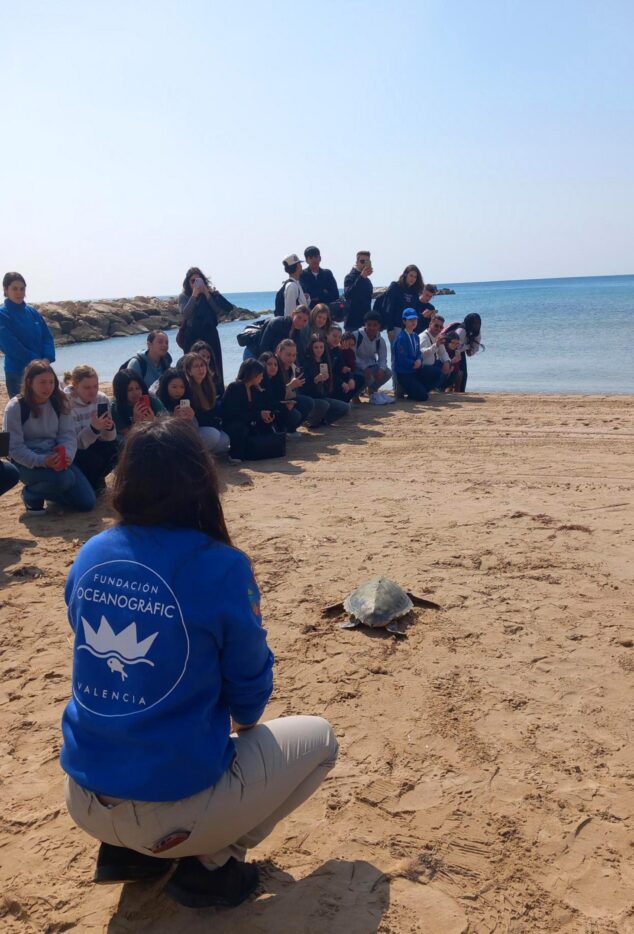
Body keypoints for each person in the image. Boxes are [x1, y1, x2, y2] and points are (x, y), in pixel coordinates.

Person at [60, 417, 338, 909]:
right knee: (321, 741)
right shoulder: (223, 566)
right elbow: (249, 699)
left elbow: (88, 644)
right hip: (173, 809)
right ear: (202, 479)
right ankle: (211, 865)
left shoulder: (91, 553)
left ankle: (129, 856)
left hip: (85, 795)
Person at [3, 360, 96, 514]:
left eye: (51, 382)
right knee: (65, 479)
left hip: (56, 457)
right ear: (29, 382)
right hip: (26, 463)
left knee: (87, 503)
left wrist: (67, 455)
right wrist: (42, 461)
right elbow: (15, 448)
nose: (48, 387)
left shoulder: (60, 402)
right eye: (42, 382)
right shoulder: (16, 407)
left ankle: (49, 491)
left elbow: (68, 436)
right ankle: (31, 495)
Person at [0, 272, 56, 399]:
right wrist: (37, 363)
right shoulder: (2, 314)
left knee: (46, 410)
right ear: (6, 290)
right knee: (23, 413)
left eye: (22, 289)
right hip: (18, 373)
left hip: (42, 370)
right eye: (14, 289)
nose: (19, 292)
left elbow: (47, 337)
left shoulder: (32, 312)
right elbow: (11, 346)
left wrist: (47, 358)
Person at [64, 365, 118, 493]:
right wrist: (94, 428)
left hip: (96, 443)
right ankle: (91, 481)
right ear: (75, 386)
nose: (92, 391)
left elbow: (109, 438)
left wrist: (109, 427)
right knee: (93, 459)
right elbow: (76, 444)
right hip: (76, 451)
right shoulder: (68, 403)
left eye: (95, 386)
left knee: (117, 450)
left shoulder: (101, 399)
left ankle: (97, 479)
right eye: (87, 387)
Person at [178, 267, 233, 391]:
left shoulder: (210, 294)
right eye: (193, 281)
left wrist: (207, 295)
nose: (196, 283)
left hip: (210, 334)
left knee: (214, 365)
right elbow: (185, 314)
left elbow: (219, 312)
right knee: (192, 366)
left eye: (199, 280)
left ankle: (217, 392)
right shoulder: (184, 296)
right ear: (188, 283)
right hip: (192, 335)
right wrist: (194, 295)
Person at [220, 360, 286, 463]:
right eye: (260, 375)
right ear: (253, 374)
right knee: (240, 428)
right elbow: (232, 414)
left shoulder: (254, 389)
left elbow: (259, 408)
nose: (262, 377)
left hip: (250, 421)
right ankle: (235, 453)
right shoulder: (234, 388)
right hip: (234, 423)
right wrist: (257, 415)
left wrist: (266, 415)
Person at [180, 353, 230, 454]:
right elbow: (198, 418)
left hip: (209, 426)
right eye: (196, 366)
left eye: (202, 365)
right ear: (189, 371)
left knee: (225, 441)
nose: (200, 369)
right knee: (214, 435)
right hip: (194, 429)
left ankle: (205, 454)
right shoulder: (187, 389)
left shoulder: (208, 386)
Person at [275, 339, 326, 428]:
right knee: (296, 414)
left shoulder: (294, 368)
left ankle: (292, 428)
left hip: (288, 398)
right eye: (288, 355)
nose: (291, 358)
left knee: (309, 402)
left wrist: (318, 381)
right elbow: (273, 393)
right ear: (279, 352)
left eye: (294, 355)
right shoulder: (274, 366)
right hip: (275, 402)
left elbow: (302, 389)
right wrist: (290, 386)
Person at [301, 336, 350, 424]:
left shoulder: (326, 361)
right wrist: (314, 381)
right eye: (316, 347)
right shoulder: (305, 362)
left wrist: (327, 381)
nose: (319, 350)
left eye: (321, 347)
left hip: (322, 396)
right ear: (311, 348)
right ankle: (309, 421)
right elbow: (302, 387)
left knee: (345, 407)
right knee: (324, 404)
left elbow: (330, 384)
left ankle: (323, 421)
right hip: (309, 398)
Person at [111, 370, 166, 442]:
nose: (135, 393)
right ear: (121, 391)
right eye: (129, 390)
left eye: (138, 388)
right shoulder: (115, 407)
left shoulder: (151, 400)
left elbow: (167, 425)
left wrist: (154, 420)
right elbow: (127, 436)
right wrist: (136, 422)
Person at [258, 352, 303, 436]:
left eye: (275, 365)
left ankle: (286, 431)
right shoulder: (259, 382)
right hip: (262, 413)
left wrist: (286, 404)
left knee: (294, 411)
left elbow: (279, 399)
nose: (273, 367)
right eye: (269, 364)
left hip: (275, 409)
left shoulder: (277, 380)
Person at [353, 312, 393, 404]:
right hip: (356, 367)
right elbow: (352, 355)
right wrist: (364, 367)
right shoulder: (356, 336)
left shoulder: (380, 340)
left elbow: (383, 358)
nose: (372, 328)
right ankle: (355, 395)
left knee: (388, 373)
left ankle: (372, 390)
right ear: (365, 324)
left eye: (375, 325)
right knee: (369, 378)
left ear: (379, 326)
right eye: (369, 325)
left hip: (371, 366)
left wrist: (381, 369)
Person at [392, 309, 429, 401]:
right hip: (405, 373)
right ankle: (408, 389)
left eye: (415, 319)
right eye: (410, 320)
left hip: (415, 370)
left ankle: (418, 389)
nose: (413, 322)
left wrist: (419, 360)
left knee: (434, 372)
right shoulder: (401, 338)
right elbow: (402, 358)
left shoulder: (415, 336)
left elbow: (418, 353)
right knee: (423, 397)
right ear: (404, 321)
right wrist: (413, 363)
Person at [384, 265, 426, 340]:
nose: (412, 279)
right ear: (405, 274)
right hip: (396, 327)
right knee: (397, 351)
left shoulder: (415, 292)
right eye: (411, 275)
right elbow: (389, 308)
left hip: (410, 329)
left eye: (415, 277)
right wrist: (390, 329)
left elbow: (415, 311)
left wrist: (423, 316)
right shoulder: (395, 286)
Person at [326, 326, 361, 403]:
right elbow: (328, 372)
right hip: (327, 381)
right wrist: (342, 383)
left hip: (336, 378)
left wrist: (350, 378)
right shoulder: (324, 350)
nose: (336, 339)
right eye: (334, 336)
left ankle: (343, 400)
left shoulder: (337, 350)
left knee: (358, 379)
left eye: (339, 337)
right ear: (327, 335)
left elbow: (344, 366)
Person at [419, 315, 452, 391]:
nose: (438, 329)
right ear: (430, 324)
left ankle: (438, 388)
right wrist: (436, 345)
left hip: (430, 365)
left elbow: (443, 353)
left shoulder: (437, 336)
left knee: (450, 366)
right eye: (436, 326)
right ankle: (428, 388)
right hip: (422, 367)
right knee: (437, 371)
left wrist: (447, 362)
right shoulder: (423, 337)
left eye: (441, 327)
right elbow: (422, 354)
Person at [343, 252, 373, 331]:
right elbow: (348, 294)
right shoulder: (349, 277)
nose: (364, 264)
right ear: (357, 262)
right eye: (362, 261)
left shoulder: (367, 280)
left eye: (367, 262)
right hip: (352, 323)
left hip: (365, 323)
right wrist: (362, 277)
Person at [453, 313, 483, 392]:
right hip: (450, 350)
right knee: (457, 373)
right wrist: (468, 347)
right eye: (475, 323)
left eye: (479, 323)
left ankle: (461, 392)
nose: (477, 325)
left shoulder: (477, 332)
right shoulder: (461, 331)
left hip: (461, 350)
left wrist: (471, 348)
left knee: (464, 374)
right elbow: (454, 346)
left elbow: (471, 352)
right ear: (469, 323)